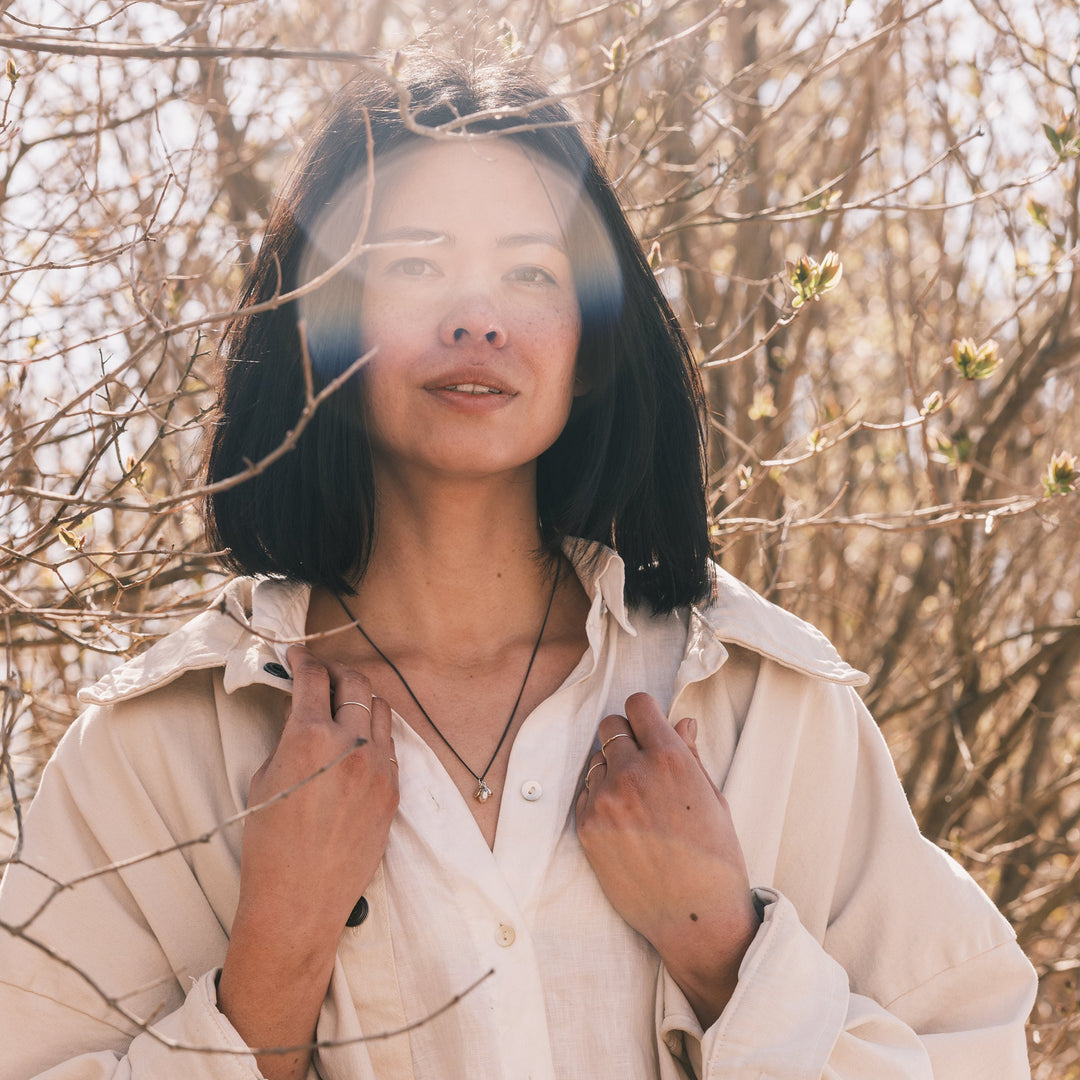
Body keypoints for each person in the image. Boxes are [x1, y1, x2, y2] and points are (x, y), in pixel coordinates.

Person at [0, 51, 1037, 1080]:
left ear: (590, 345)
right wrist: (276, 956)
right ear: (321, 327)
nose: (477, 317)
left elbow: (971, 1055)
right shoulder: (157, 746)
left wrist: (728, 953)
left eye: (532, 271)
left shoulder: (761, 705)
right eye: (414, 264)